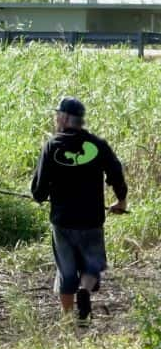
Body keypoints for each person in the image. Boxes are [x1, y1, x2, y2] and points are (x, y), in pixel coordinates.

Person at [31, 97, 128, 321]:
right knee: (92, 265)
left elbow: (38, 190)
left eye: (57, 115)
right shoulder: (97, 144)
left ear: (65, 118)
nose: (56, 118)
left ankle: (67, 319)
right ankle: (84, 292)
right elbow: (116, 174)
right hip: (91, 218)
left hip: (63, 221)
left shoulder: (52, 146)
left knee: (66, 271)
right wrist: (121, 202)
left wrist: (41, 197)